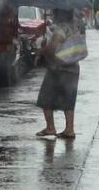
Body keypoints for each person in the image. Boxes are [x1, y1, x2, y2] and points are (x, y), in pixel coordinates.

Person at [35, 9, 82, 140]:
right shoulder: (74, 28)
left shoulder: (61, 29)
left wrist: (41, 51)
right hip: (73, 68)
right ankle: (69, 129)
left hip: (58, 68)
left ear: (59, 15)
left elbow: (52, 48)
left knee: (46, 98)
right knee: (69, 99)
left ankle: (50, 127)